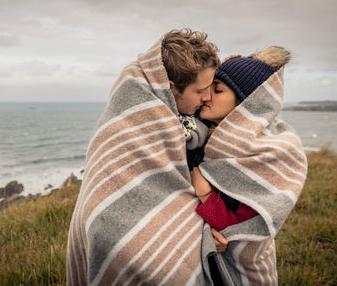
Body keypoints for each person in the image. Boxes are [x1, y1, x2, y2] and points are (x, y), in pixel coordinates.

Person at [67, 28, 226, 285]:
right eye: (200, 91)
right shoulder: (133, 120)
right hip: (111, 234)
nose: (207, 97)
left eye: (211, 88)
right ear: (171, 88)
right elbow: (114, 224)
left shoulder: (190, 124)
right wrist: (200, 236)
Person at [189, 47, 308, 285]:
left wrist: (205, 193)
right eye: (208, 87)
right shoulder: (200, 135)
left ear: (245, 104)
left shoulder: (266, 152)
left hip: (249, 267)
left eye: (218, 89)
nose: (206, 95)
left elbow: (243, 226)